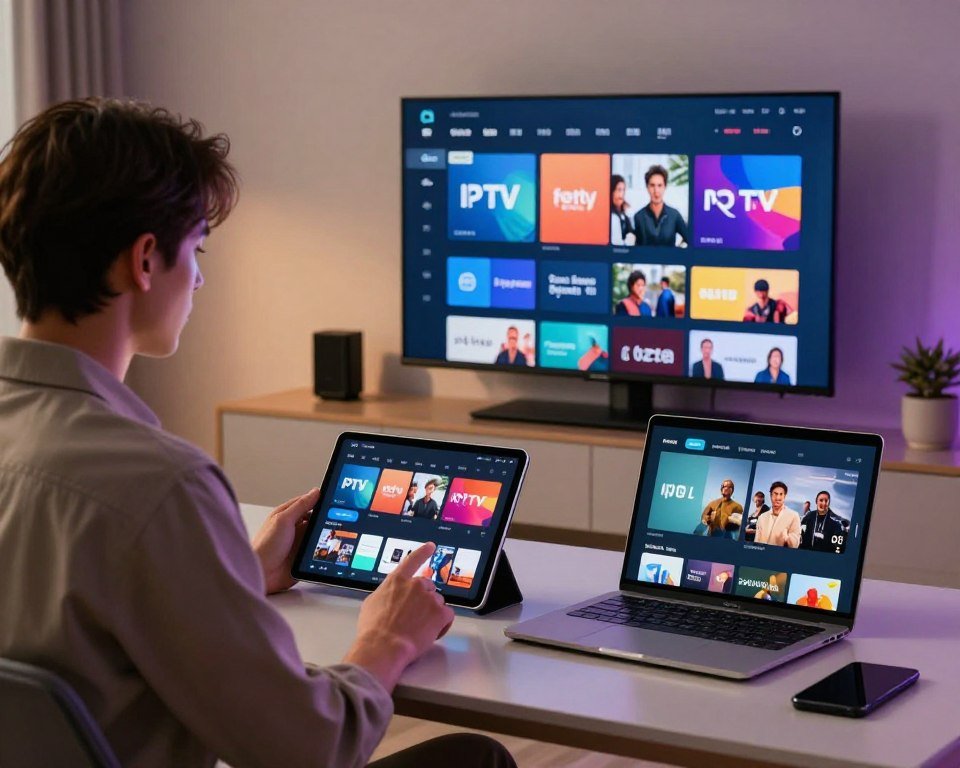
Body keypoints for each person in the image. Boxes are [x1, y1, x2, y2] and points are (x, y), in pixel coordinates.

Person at [0, 99, 515, 768]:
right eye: (197, 250)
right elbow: (308, 749)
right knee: (473, 760)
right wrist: (385, 640)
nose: (202, 277)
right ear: (146, 260)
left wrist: (236, 571)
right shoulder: (160, 484)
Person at [632, 164, 689, 247]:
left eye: (660, 185)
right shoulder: (638, 217)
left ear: (665, 187)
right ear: (647, 187)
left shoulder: (674, 215)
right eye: (652, 185)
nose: (656, 191)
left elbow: (689, 240)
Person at [754, 481, 801, 548]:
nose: (778, 498)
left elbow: (795, 544)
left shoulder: (794, 515)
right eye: (775, 494)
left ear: (784, 496)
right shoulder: (762, 517)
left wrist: (787, 538)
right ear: (771, 495)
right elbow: (756, 541)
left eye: (781, 494)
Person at [609, 174, 636, 246]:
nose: (621, 194)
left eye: (623, 190)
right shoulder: (611, 216)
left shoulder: (625, 213)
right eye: (618, 190)